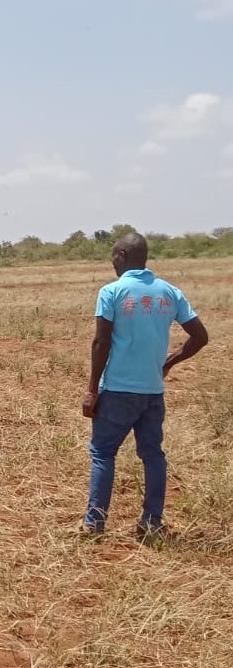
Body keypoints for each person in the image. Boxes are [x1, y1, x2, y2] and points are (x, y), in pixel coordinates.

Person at [82, 233, 209, 543]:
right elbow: (200, 336)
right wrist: (169, 362)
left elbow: (101, 342)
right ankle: (151, 521)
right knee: (153, 455)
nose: (111, 261)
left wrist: (92, 390)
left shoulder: (112, 291)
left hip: (118, 391)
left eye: (113, 255)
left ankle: (94, 523)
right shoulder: (170, 292)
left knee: (102, 453)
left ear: (123, 256)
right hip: (152, 392)